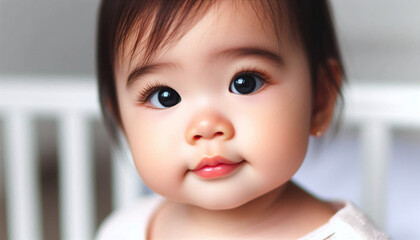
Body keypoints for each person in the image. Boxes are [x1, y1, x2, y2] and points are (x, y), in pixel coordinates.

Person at [96, 0, 389, 239]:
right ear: (122, 121)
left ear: (320, 99)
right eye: (164, 96)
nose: (206, 126)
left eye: (245, 82)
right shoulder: (123, 229)